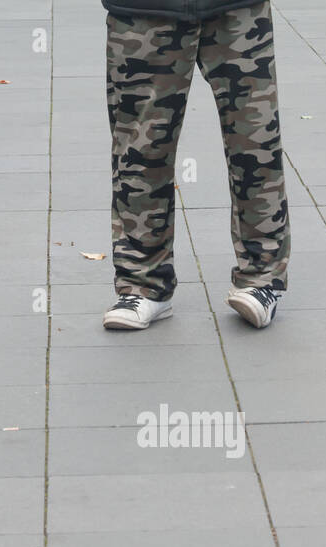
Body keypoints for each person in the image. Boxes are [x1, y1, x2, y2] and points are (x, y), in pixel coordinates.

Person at [101, 0, 291, 331]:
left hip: (238, 9)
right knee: (140, 149)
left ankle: (262, 279)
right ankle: (143, 285)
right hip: (144, 11)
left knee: (255, 141)